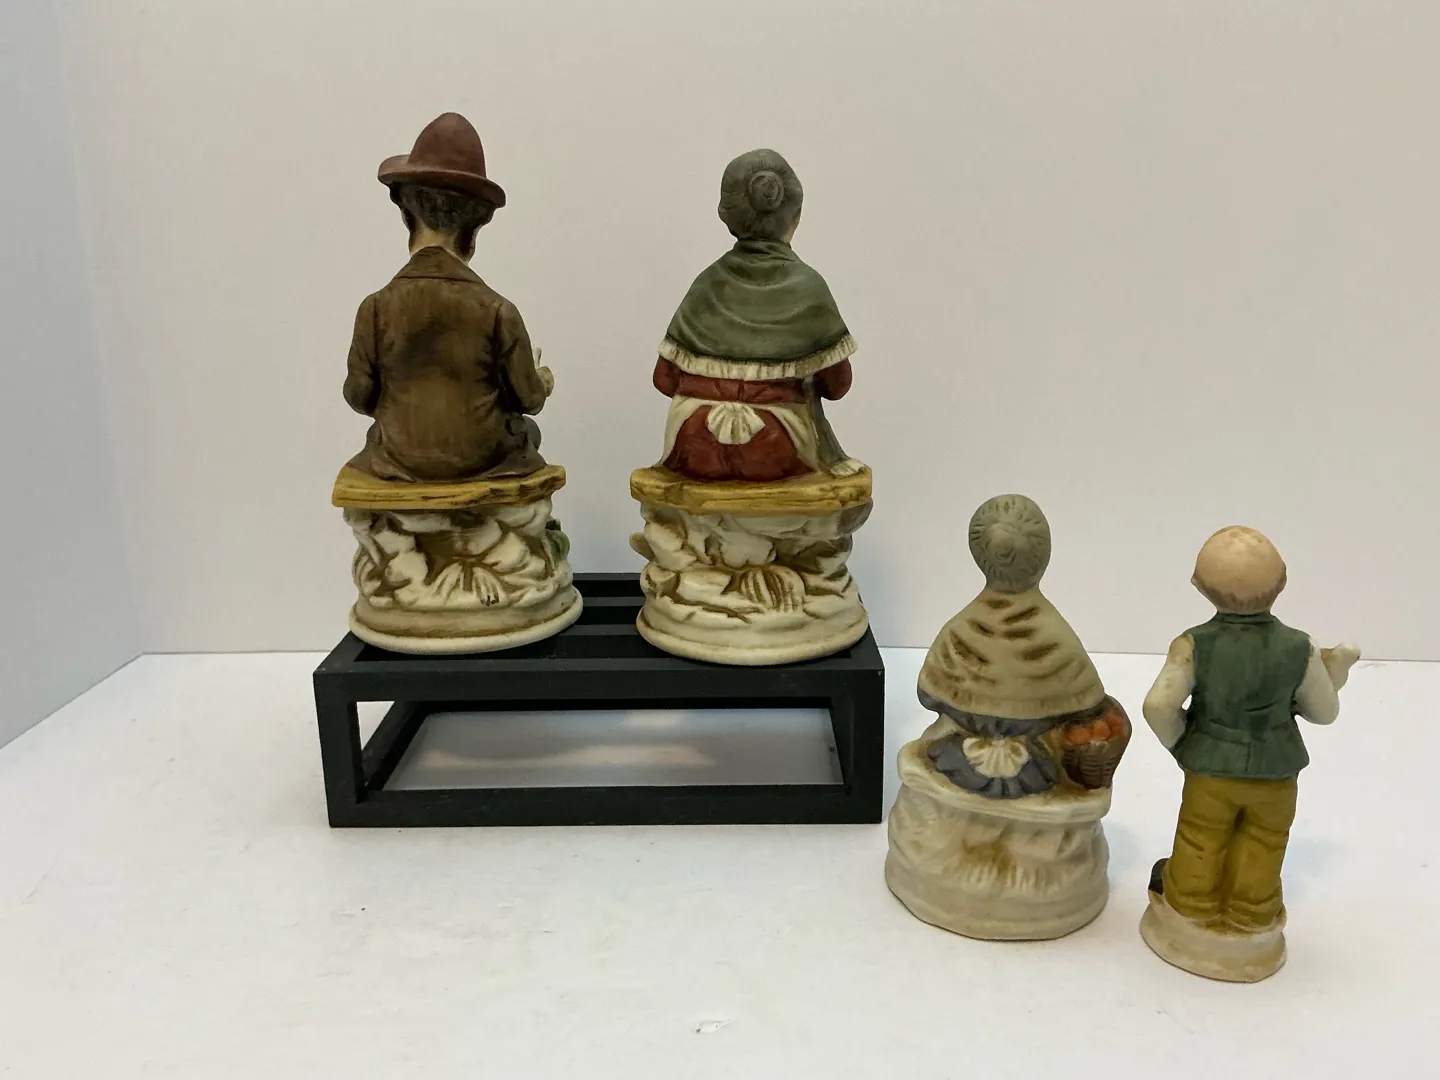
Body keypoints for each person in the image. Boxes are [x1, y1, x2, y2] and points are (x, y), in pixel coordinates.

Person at [1143, 526, 1359, 936]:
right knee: (1266, 840)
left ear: (1199, 586)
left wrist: (1184, 744)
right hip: (1276, 769)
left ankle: (1191, 904)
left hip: (1210, 769)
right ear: (1282, 583)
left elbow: (1157, 706)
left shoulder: (1192, 645)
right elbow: (1324, 712)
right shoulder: (1301, 648)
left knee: (1200, 835)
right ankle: (1252, 911)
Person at [344, 112, 552, 483]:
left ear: (407, 216)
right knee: (529, 434)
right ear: (476, 226)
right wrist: (542, 380)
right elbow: (529, 400)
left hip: (397, 459)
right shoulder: (498, 311)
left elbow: (358, 397)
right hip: (482, 461)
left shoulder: (374, 308)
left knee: (373, 440)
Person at [652, 149, 861, 482]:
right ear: (795, 216)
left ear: (727, 215)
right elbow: (837, 387)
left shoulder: (706, 284)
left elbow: (663, 380)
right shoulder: (809, 288)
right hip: (776, 444)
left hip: (693, 440)